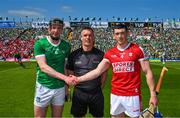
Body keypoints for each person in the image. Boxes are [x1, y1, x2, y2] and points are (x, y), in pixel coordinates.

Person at [73, 24, 158, 118]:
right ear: (114, 36)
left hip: (133, 95)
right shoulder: (110, 53)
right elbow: (97, 71)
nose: (120, 36)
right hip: (116, 95)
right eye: (117, 34)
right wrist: (78, 79)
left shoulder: (137, 49)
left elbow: (147, 72)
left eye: (122, 33)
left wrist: (153, 94)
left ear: (128, 33)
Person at [33, 18, 76, 117]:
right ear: (49, 29)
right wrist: (65, 78)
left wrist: (66, 87)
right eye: (53, 28)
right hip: (43, 86)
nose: (56, 31)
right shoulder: (40, 44)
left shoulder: (66, 46)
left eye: (59, 28)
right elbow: (43, 67)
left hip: (60, 88)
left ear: (62, 30)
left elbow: (65, 66)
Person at [66, 27, 107, 117]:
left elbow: (104, 73)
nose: (87, 37)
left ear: (93, 37)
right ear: (81, 38)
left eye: (90, 35)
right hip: (79, 93)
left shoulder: (101, 54)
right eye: (85, 35)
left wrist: (100, 87)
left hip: (96, 92)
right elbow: (70, 72)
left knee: (98, 116)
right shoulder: (73, 55)